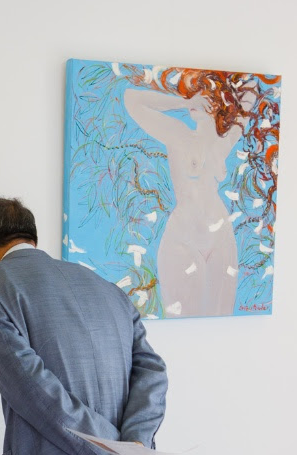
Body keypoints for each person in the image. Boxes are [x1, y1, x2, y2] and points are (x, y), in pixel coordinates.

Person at [0, 197, 168, 455]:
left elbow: (30, 389)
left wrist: (111, 450)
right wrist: (135, 443)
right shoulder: (107, 287)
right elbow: (152, 370)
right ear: (32, 240)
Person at [123, 71, 257, 317]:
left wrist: (226, 88)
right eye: (195, 92)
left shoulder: (224, 140)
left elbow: (252, 91)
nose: (198, 98)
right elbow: (131, 99)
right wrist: (184, 103)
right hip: (183, 238)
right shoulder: (177, 134)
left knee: (221, 318)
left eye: (206, 93)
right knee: (182, 318)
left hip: (220, 236)